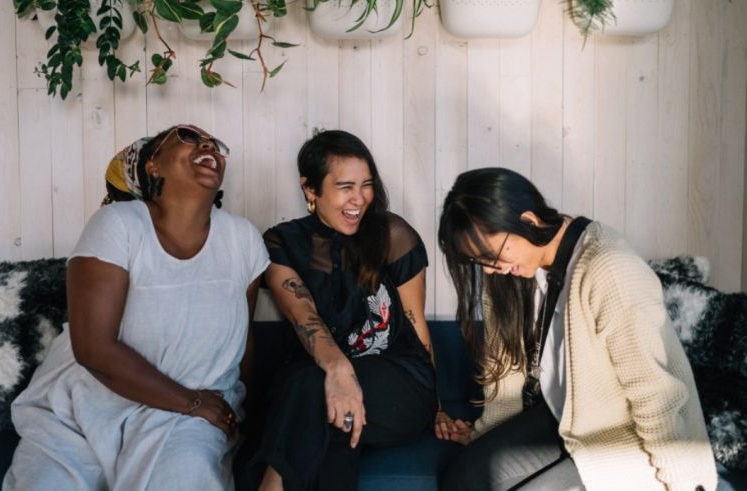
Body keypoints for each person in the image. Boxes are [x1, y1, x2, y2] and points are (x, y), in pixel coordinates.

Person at [4, 124, 270, 490]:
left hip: (188, 419)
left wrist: (245, 417)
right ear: (153, 165)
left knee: (184, 477)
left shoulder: (243, 239)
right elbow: (93, 348)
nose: (207, 144)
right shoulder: (117, 225)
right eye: (188, 137)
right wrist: (190, 401)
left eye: (214, 142)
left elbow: (242, 342)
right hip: (86, 407)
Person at [435, 167, 717, 491]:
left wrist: (682, 482)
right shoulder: (508, 274)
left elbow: (655, 397)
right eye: (477, 261)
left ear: (528, 220)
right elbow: (507, 375)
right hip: (563, 417)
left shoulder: (609, 269)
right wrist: (484, 436)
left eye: (491, 256)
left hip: (622, 439)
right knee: (459, 477)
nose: (490, 268)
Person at [249, 130, 437, 491]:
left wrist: (440, 407)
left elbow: (416, 325)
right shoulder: (282, 243)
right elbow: (304, 317)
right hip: (317, 381)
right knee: (328, 417)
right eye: (345, 186)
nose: (360, 199)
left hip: (399, 384)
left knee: (309, 391)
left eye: (366, 185)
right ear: (310, 189)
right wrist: (339, 370)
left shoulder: (393, 234)